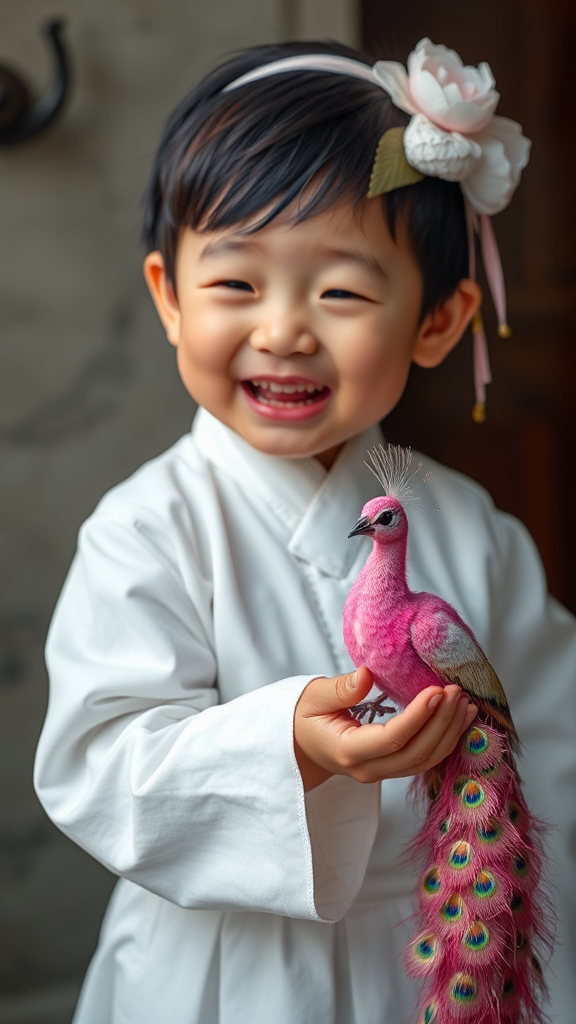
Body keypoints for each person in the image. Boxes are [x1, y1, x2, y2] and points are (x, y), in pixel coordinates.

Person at [34, 38, 575, 1024]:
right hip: (220, 969)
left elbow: (557, 749)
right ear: (168, 294)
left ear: (439, 322)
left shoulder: (476, 534)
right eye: (237, 284)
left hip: (438, 945)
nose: (283, 330)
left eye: (340, 292)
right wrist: (290, 746)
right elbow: (97, 765)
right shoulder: (149, 530)